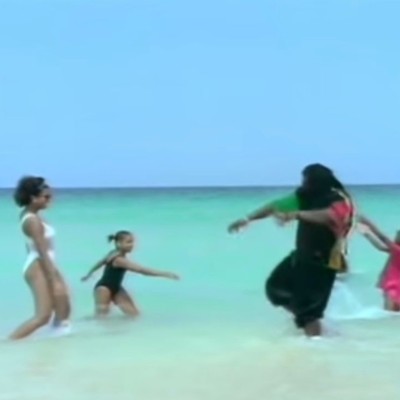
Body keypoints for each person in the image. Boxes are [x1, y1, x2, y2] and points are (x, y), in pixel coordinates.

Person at [228, 164, 354, 337]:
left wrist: (296, 214)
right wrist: (247, 219)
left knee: (309, 311)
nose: (303, 183)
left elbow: (331, 217)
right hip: (302, 256)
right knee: (275, 288)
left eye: (306, 180)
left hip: (323, 262)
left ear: (316, 181)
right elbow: (275, 206)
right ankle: (313, 326)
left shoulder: (337, 199)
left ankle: (317, 341)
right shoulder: (304, 196)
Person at [10, 176, 71, 340]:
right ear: (33, 198)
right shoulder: (32, 221)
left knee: (63, 306)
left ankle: (56, 341)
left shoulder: (32, 215)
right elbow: (41, 251)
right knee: (43, 316)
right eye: (46, 196)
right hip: (39, 266)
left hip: (43, 264)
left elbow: (31, 247)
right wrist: (53, 278)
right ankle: (7, 344)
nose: (50, 200)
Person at [81, 231, 180, 317]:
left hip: (117, 287)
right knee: (101, 317)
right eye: (128, 242)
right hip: (104, 288)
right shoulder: (119, 260)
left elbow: (101, 262)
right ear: (119, 243)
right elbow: (142, 270)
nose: (132, 245)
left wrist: (88, 274)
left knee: (134, 315)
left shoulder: (113, 253)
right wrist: (166, 274)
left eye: (132, 242)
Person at [357, 216, 400, 312]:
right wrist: (366, 234)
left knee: (388, 313)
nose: (395, 237)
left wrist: (367, 223)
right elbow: (381, 247)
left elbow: (382, 238)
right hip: (395, 286)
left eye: (397, 235)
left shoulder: (396, 250)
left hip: (392, 286)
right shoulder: (395, 250)